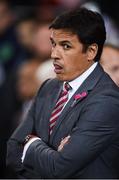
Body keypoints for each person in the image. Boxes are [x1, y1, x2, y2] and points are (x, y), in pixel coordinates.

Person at [6, 8, 119, 179]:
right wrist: (50, 154)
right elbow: (12, 151)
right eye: (53, 44)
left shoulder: (107, 101)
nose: (54, 54)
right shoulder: (49, 87)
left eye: (66, 46)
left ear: (91, 51)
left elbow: (58, 168)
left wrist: (31, 143)